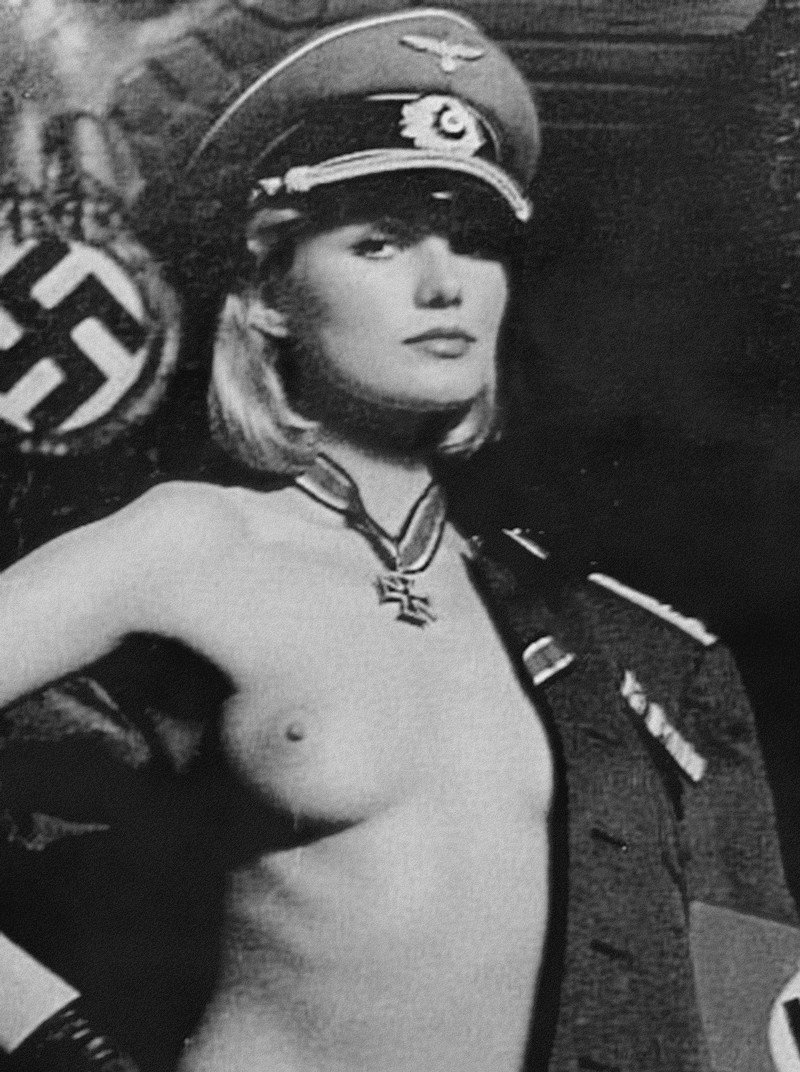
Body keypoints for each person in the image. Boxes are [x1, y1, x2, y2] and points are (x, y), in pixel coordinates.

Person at [1, 8, 799, 1072]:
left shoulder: (571, 617)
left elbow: (734, 990)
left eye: (474, 243)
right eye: (378, 242)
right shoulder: (195, 538)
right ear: (270, 294)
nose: (444, 284)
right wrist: (54, 1040)